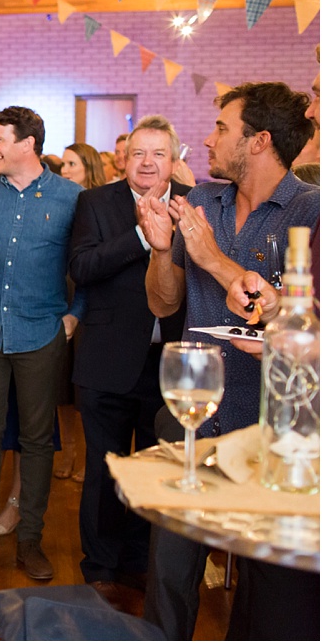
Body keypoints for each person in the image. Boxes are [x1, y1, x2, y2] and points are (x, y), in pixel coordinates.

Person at [139, 82, 319, 640]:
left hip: (268, 429)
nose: (208, 139)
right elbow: (164, 302)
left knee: (266, 597)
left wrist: (213, 258)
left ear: (259, 141)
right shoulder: (201, 201)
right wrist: (162, 250)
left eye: (222, 128)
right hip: (191, 419)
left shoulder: (310, 212)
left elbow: (304, 321)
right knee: (168, 578)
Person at [68, 117, 190, 614]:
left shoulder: (195, 204)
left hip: (170, 359)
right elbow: (82, 267)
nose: (147, 163)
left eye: (158, 154)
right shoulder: (95, 203)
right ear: (124, 158)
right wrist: (143, 237)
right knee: (105, 468)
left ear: (173, 160)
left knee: (155, 469)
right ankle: (100, 567)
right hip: (107, 357)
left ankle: (139, 561)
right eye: (138, 153)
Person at [0, 106, 83, 582]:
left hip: (41, 333)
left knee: (37, 441)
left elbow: (86, 266)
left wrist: (74, 316)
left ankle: (31, 539)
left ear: (27, 144)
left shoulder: (71, 197)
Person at [53, 142, 107, 483]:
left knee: (85, 388)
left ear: (89, 167)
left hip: (90, 292)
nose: (65, 171)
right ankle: (68, 450)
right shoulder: (61, 202)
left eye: (72, 164)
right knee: (61, 385)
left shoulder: (100, 203)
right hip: (62, 288)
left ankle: (88, 454)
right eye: (63, 165)